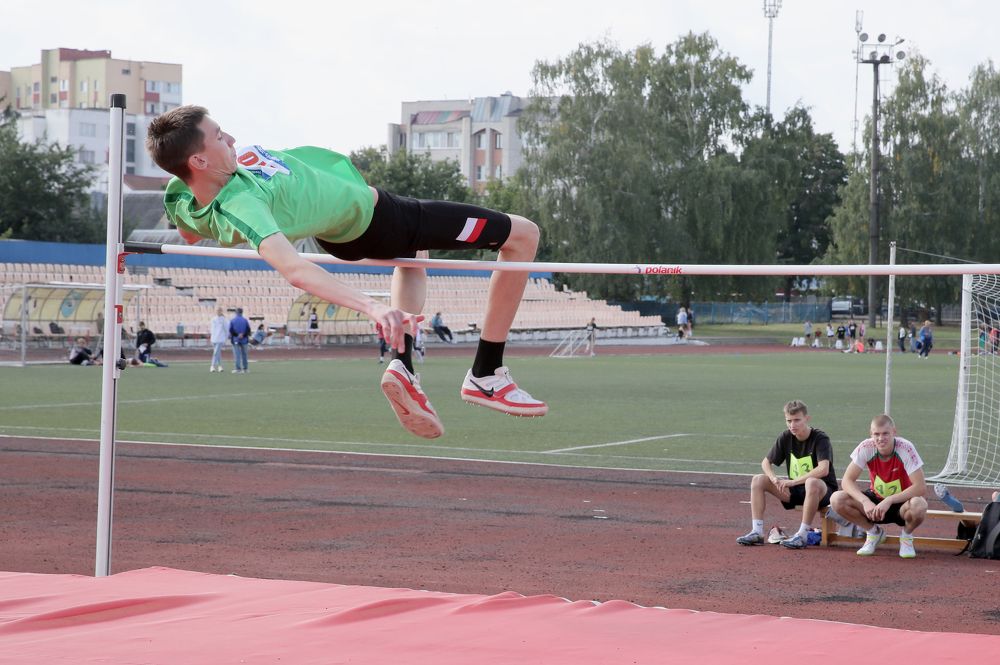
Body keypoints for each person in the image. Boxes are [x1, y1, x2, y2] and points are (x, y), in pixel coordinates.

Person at [146, 105, 546, 439]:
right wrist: (373, 308)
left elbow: (188, 228)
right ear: (198, 160)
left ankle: (403, 364)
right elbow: (294, 270)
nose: (230, 138)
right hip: (382, 219)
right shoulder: (243, 204)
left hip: (351, 229)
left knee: (413, 257)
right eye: (219, 137)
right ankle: (487, 373)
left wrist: (207, 225)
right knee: (523, 236)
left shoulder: (181, 192)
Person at [736, 400, 838, 550]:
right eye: (789, 421)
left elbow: (823, 470)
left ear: (807, 419)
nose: (792, 425)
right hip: (796, 489)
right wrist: (773, 478)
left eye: (797, 420)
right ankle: (757, 532)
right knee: (758, 480)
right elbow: (765, 462)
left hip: (822, 491)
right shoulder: (786, 437)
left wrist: (792, 482)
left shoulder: (820, 438)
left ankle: (802, 535)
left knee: (811, 482)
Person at [829, 414, 928, 558]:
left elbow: (920, 487)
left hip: (901, 505)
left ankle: (906, 537)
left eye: (885, 433)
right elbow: (846, 481)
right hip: (875, 502)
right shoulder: (866, 447)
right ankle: (873, 533)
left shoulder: (905, 448)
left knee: (919, 505)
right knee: (837, 499)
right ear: (871, 434)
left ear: (894, 432)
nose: (881, 438)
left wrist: (889, 500)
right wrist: (865, 501)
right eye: (876, 434)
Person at [229, 307, 251, 374]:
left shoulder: (232, 320)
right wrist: (243, 335)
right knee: (244, 354)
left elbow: (231, 330)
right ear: (242, 312)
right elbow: (248, 330)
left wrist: (237, 335)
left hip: (236, 339)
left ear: (236, 312)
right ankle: (245, 369)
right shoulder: (245, 320)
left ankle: (238, 369)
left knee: (237, 354)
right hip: (244, 340)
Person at [209, 307, 227, 372]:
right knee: (218, 353)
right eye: (217, 311)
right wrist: (211, 338)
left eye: (219, 311)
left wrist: (226, 338)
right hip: (214, 338)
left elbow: (226, 329)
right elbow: (212, 329)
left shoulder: (223, 319)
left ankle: (212, 366)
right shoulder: (213, 319)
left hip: (220, 338)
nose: (218, 312)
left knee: (216, 352)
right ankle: (220, 366)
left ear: (221, 311)